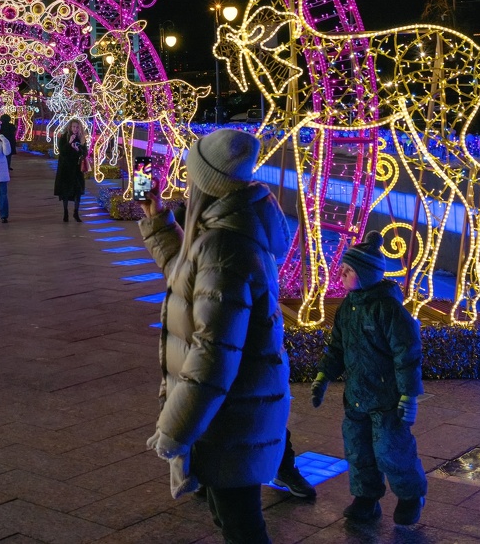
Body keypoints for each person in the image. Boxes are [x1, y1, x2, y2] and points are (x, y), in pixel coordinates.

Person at [139, 128, 291, 544]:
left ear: (205, 181)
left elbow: (213, 354)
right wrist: (159, 226)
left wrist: (174, 429)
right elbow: (191, 285)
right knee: (232, 517)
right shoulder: (229, 228)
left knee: (241, 525)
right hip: (237, 409)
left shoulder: (224, 244)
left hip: (232, 415)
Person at [311, 231, 426, 526]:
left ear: (365, 273)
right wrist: (324, 375)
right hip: (357, 397)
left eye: (348, 270)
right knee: (358, 450)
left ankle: (410, 495)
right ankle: (366, 497)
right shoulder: (347, 309)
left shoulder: (388, 310)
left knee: (392, 450)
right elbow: (337, 346)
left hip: (387, 400)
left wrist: (409, 395)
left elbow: (407, 354)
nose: (342, 274)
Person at [53, 118, 87, 222]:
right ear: (70, 127)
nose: (75, 129)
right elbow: (62, 151)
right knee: (66, 192)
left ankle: (76, 212)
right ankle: (66, 212)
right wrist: (69, 143)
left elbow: (84, 153)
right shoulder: (64, 136)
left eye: (77, 127)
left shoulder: (81, 138)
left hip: (77, 169)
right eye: (73, 127)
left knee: (78, 191)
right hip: (66, 168)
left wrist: (79, 149)